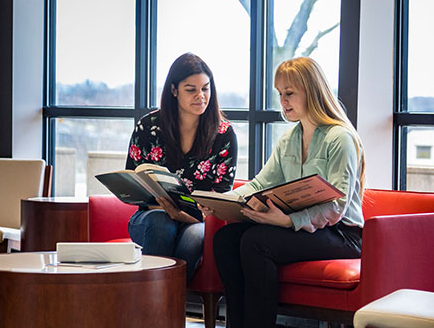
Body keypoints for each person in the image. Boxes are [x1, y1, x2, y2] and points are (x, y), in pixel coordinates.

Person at [211, 57, 365, 328]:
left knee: (257, 241)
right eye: (280, 94)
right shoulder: (289, 139)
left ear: (312, 91)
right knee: (225, 239)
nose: (283, 101)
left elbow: (337, 205)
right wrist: (221, 201)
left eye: (290, 93)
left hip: (342, 234)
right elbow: (260, 184)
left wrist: (288, 221)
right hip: (307, 229)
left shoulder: (340, 138)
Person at [125, 53, 238, 283]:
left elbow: (220, 199)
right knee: (161, 223)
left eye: (206, 88)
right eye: (191, 89)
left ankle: (165, 306)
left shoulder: (223, 135)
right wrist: (165, 209)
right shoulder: (148, 127)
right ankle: (156, 306)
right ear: (174, 90)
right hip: (151, 216)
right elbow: (134, 185)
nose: (200, 96)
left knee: (196, 237)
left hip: (196, 221)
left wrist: (181, 215)